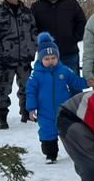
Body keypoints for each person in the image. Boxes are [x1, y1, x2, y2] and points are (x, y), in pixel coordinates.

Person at [24, 32, 88, 163]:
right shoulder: (35, 75)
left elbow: (75, 82)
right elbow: (30, 91)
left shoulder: (64, 70)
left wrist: (88, 82)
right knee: (48, 132)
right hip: (45, 112)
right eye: (46, 59)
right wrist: (31, 109)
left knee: (69, 131)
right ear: (40, 60)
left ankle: (75, 151)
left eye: (53, 58)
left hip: (63, 109)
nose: (50, 61)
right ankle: (50, 154)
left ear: (58, 57)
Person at [0, 0, 38, 129]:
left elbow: (34, 31)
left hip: (24, 58)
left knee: (26, 88)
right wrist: (1, 47)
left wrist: (33, 47)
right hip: (6, 59)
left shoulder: (27, 12)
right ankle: (2, 117)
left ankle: (26, 113)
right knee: (3, 89)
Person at [31, 0, 87, 73]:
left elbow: (82, 23)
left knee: (73, 84)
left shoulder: (72, 4)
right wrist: (39, 42)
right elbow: (31, 28)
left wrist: (74, 39)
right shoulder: (36, 7)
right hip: (46, 55)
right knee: (47, 85)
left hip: (69, 53)